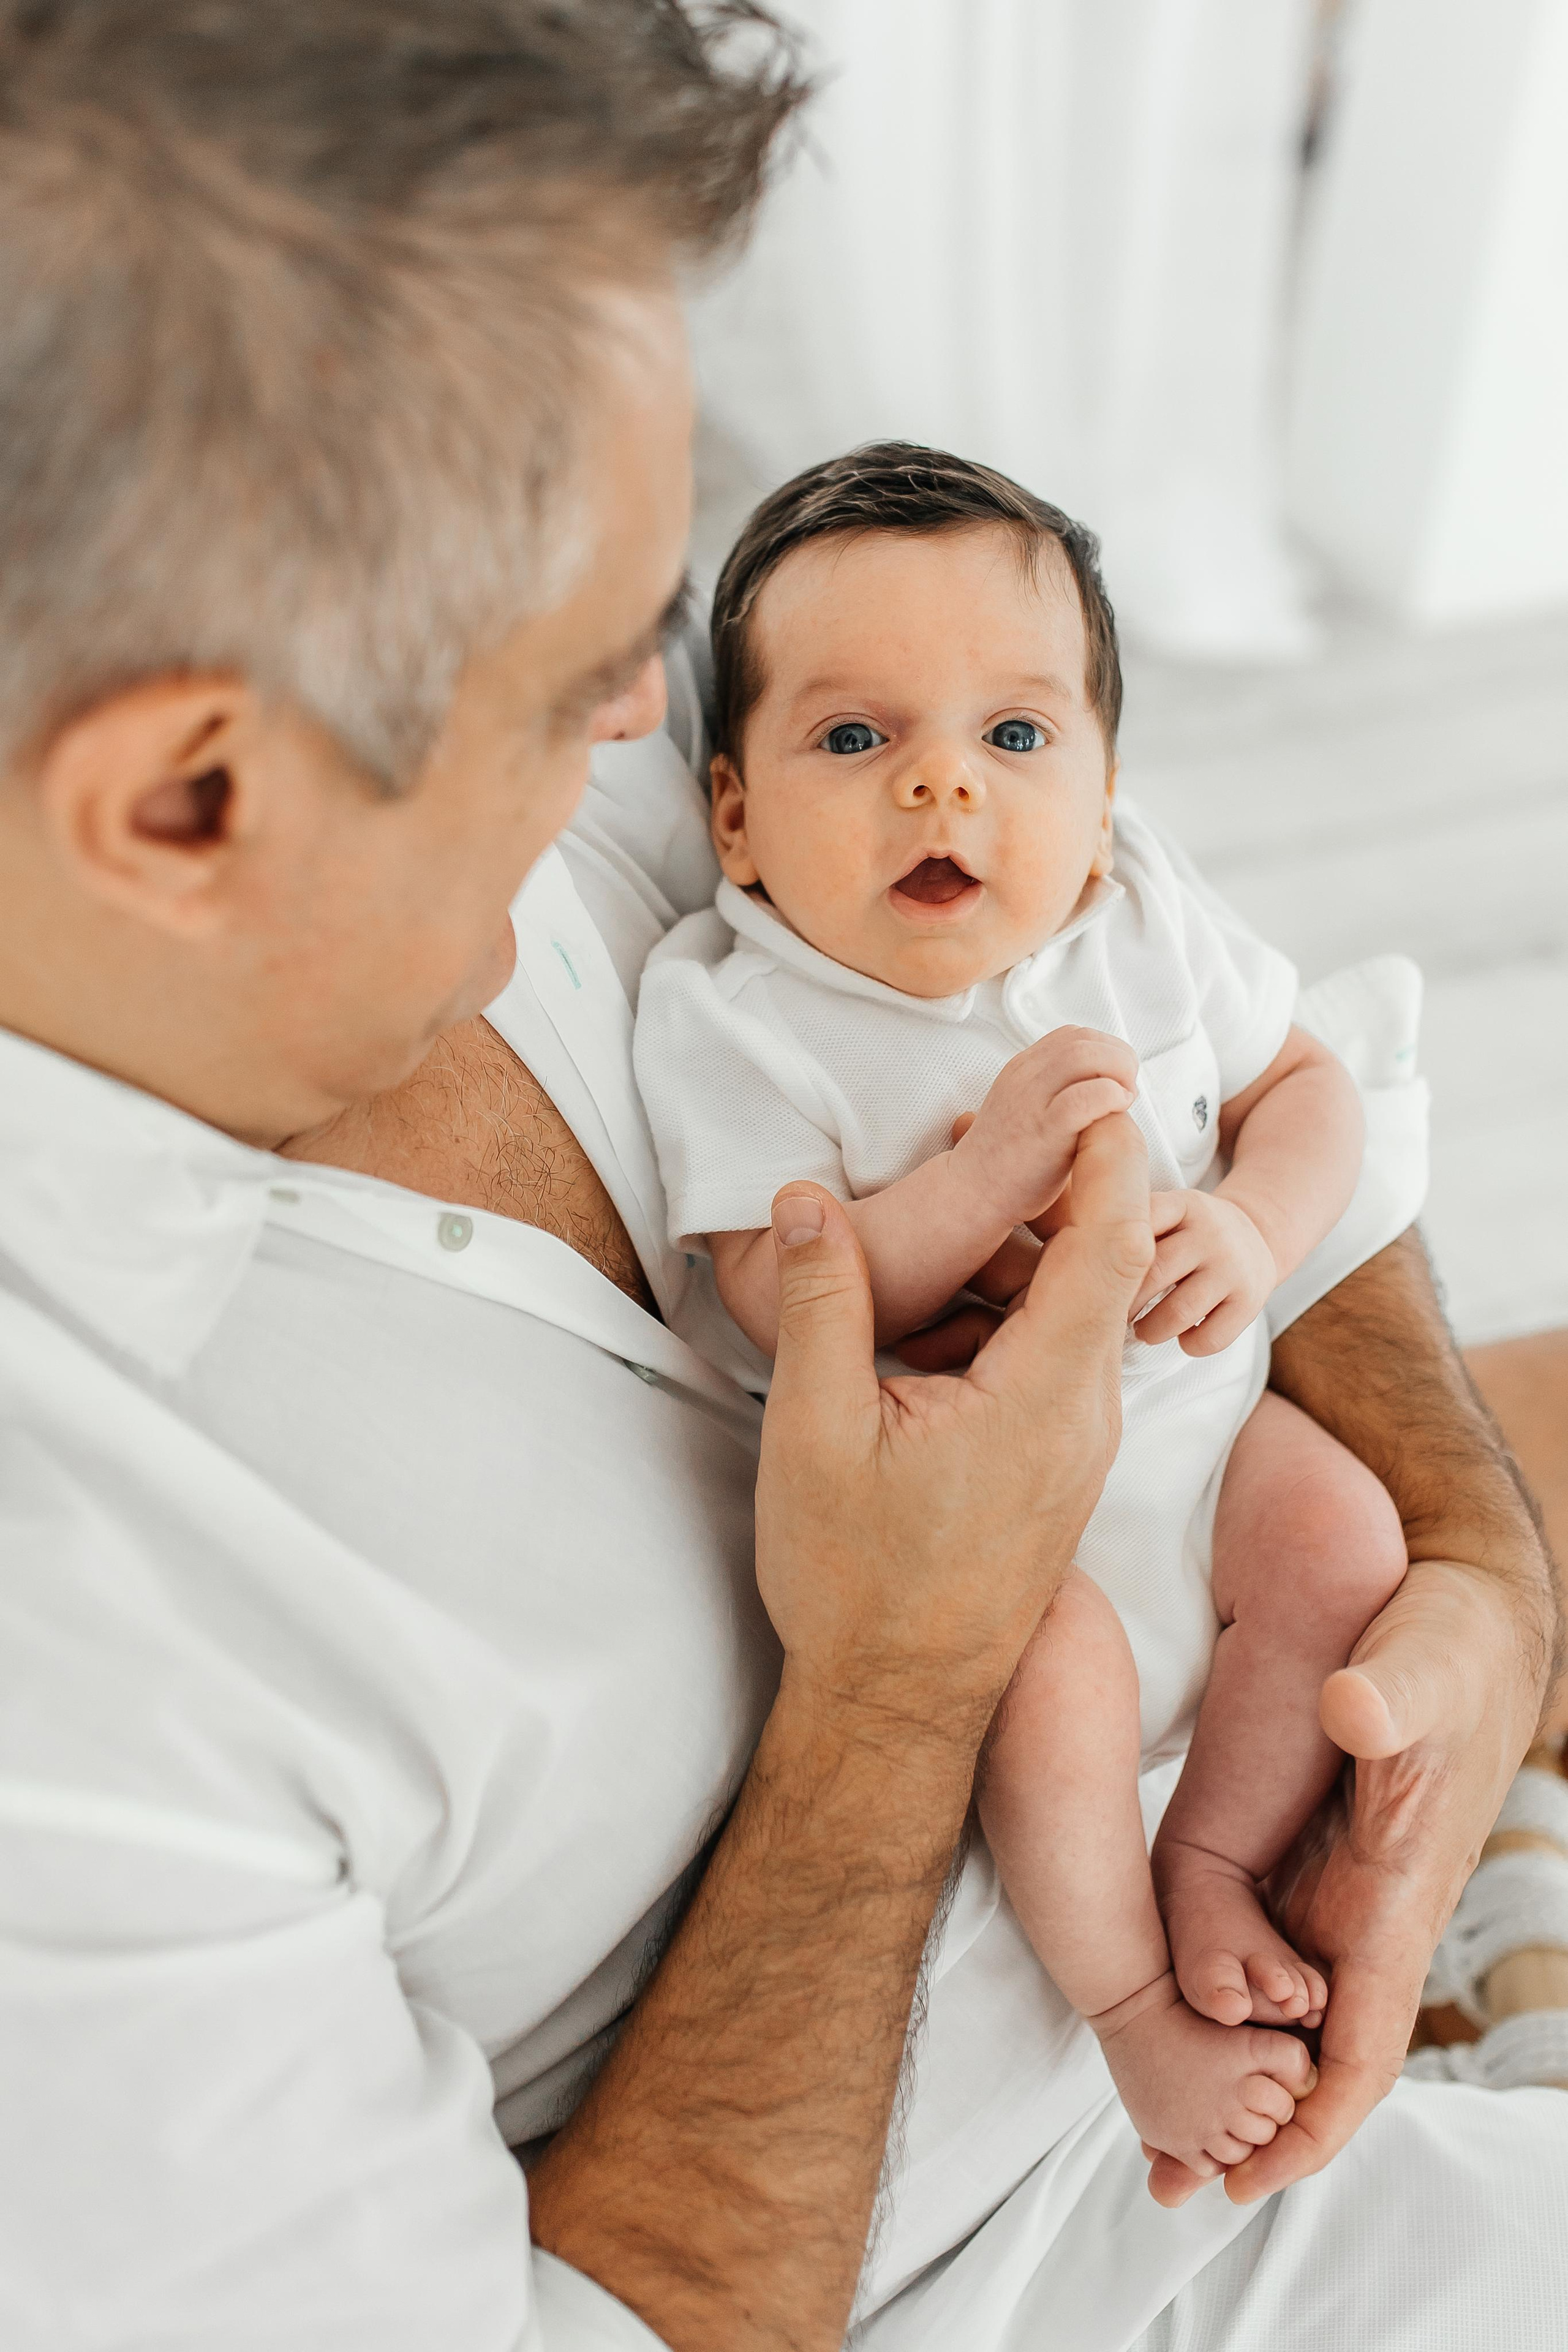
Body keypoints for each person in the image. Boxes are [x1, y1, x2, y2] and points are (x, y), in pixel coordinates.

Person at [0, 7, 1562, 2350]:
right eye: (584, 673)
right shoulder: (79, 1687)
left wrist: (1470, 1560)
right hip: (1015, 2243)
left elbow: (1208, 1038)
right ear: (191, 805)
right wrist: (896, 1684)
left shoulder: (495, 738)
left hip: (1226, 1673)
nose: (660, 721)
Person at [632, 443, 1411, 2184]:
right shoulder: (741, 1015)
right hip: (990, 1542)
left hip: (1204, 1434)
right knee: (1048, 1682)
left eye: (1014, 737)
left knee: (1342, 1538)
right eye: (854, 739)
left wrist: (1250, 1227)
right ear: (735, 815)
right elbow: (776, 1297)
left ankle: (1212, 1856)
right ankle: (1136, 2004)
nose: (941, 793)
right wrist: (979, 1189)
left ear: (1107, 777)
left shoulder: (1138, 909)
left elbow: (1309, 1090)